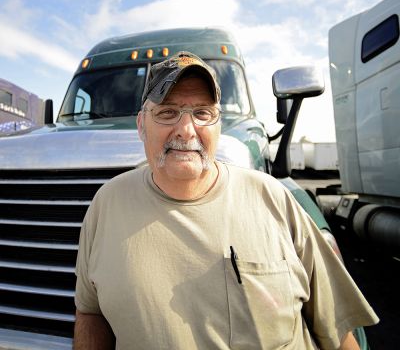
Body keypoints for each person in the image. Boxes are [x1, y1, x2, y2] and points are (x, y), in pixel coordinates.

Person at [74, 51, 378, 350]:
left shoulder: (274, 199)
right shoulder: (107, 204)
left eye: (202, 113)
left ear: (218, 124)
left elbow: (337, 331)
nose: (185, 129)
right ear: (141, 125)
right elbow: (91, 312)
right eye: (167, 112)